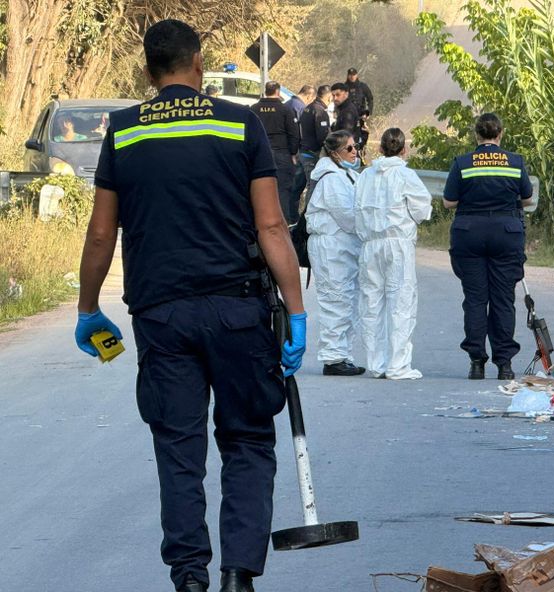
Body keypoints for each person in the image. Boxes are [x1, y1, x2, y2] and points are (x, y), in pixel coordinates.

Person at [73, 19, 306, 592]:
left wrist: (86, 308)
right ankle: (237, 575)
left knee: (178, 447)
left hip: (162, 316)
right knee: (248, 439)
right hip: (238, 311)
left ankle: (189, 575)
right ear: (199, 63)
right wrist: (296, 312)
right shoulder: (239, 123)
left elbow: (101, 235)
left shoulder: (124, 132)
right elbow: (272, 225)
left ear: (149, 71)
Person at [443, 113, 533, 381]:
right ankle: (504, 364)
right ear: (500, 134)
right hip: (506, 234)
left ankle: (476, 362)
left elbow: (449, 202)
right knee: (503, 300)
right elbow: (527, 198)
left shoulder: (463, 163)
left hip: (469, 235)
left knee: (475, 299)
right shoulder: (514, 162)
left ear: (476, 135)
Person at [355, 128, 432, 379]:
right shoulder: (405, 175)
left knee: (371, 303)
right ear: (404, 149)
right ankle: (398, 365)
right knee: (401, 302)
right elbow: (422, 209)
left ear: (380, 149)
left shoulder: (365, 176)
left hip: (370, 244)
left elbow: (356, 207)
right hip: (397, 242)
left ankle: (376, 363)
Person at [305, 130, 365, 376]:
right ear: (334, 153)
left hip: (342, 247)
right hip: (331, 247)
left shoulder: (346, 174)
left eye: (355, 147)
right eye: (349, 148)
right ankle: (333, 357)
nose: (355, 152)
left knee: (347, 299)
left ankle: (343, 353)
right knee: (335, 299)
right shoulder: (331, 178)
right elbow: (348, 217)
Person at [251, 81, 300, 223]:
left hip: (259, 155)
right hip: (282, 155)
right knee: (283, 192)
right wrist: (293, 153)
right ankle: (283, 226)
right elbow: (294, 134)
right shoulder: (285, 110)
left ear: (266, 91)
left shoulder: (254, 109)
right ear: (278, 92)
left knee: (259, 192)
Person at [293, 84, 332, 208]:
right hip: (312, 154)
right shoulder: (320, 112)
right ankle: (308, 216)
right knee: (312, 185)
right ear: (329, 97)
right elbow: (323, 137)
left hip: (303, 151)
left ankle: (292, 215)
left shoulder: (307, 108)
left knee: (299, 186)